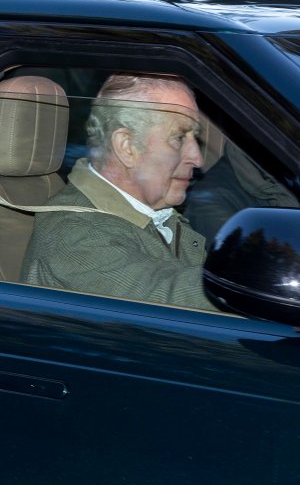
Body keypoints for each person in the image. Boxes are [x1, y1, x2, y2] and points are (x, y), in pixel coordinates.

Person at [20, 73, 216, 310]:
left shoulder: (156, 215)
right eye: (178, 138)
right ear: (127, 147)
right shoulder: (73, 233)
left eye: (194, 138)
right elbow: (165, 301)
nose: (196, 158)